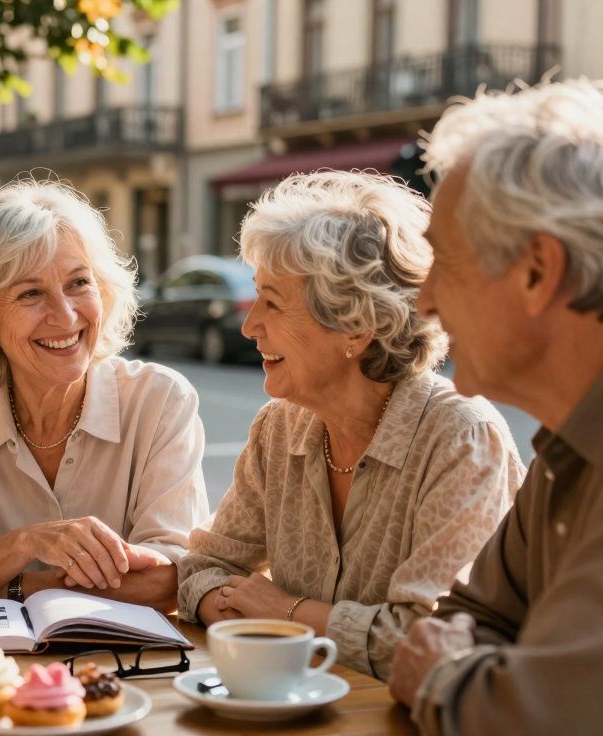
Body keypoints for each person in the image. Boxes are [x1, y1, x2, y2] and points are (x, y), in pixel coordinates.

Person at [387, 79, 603, 734]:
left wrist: (448, 680)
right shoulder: (580, 431)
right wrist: (491, 680)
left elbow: (553, 716)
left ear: (536, 271)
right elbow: (470, 625)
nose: (424, 302)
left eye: (445, 262)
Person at [176, 171, 525, 679]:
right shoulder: (279, 427)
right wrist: (274, 615)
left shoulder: (460, 439)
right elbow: (199, 573)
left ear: (357, 326)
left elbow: (427, 641)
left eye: (272, 303)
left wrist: (284, 613)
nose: (249, 327)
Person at [0, 179, 209, 613]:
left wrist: (24, 587)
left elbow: (172, 578)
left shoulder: (161, 401)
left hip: (126, 670)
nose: (66, 315)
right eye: (31, 293)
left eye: (79, 283)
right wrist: (28, 542)